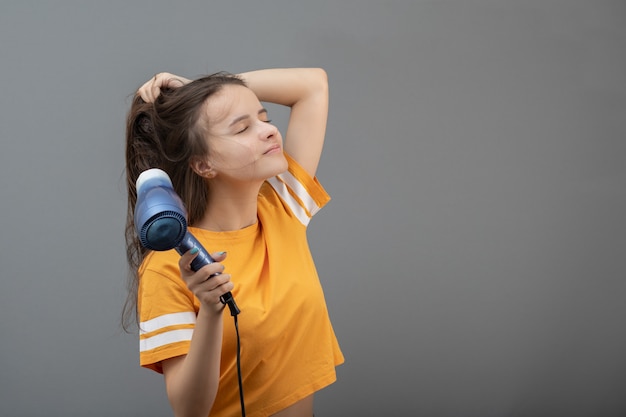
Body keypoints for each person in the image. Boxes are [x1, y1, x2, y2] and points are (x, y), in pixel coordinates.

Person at [123, 68, 344, 417]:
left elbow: (313, 85)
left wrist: (200, 92)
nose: (270, 130)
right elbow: (188, 409)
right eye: (242, 128)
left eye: (264, 117)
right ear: (203, 164)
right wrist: (210, 310)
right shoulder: (168, 268)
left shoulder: (282, 209)